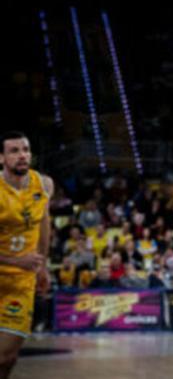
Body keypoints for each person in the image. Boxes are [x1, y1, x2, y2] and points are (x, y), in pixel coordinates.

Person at [0, 132, 52, 379]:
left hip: (21, 283)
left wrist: (43, 265)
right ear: (1, 158)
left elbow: (43, 223)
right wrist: (16, 260)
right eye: (14, 151)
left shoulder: (43, 184)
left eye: (25, 149)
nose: (22, 155)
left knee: (7, 356)